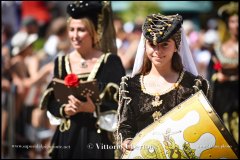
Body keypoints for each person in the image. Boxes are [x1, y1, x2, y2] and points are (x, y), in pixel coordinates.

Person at [115, 13, 211, 154]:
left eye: (164, 44)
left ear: (176, 46)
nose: (157, 51)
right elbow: (125, 126)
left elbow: (203, 130)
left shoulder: (193, 86)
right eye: (152, 45)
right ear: (145, 45)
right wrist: (126, 141)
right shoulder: (130, 86)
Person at [39, 1, 125, 159]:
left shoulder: (110, 62)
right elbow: (53, 100)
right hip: (68, 136)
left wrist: (93, 109)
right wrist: (65, 109)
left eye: (81, 30)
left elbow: (121, 101)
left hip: (98, 137)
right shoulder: (61, 62)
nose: (75, 35)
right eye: (71, 30)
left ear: (93, 32)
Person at [209, 2, 238, 143]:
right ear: (228, 24)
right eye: (233, 21)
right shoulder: (218, 48)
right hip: (224, 103)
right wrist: (218, 76)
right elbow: (212, 74)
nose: (237, 25)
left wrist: (229, 76)